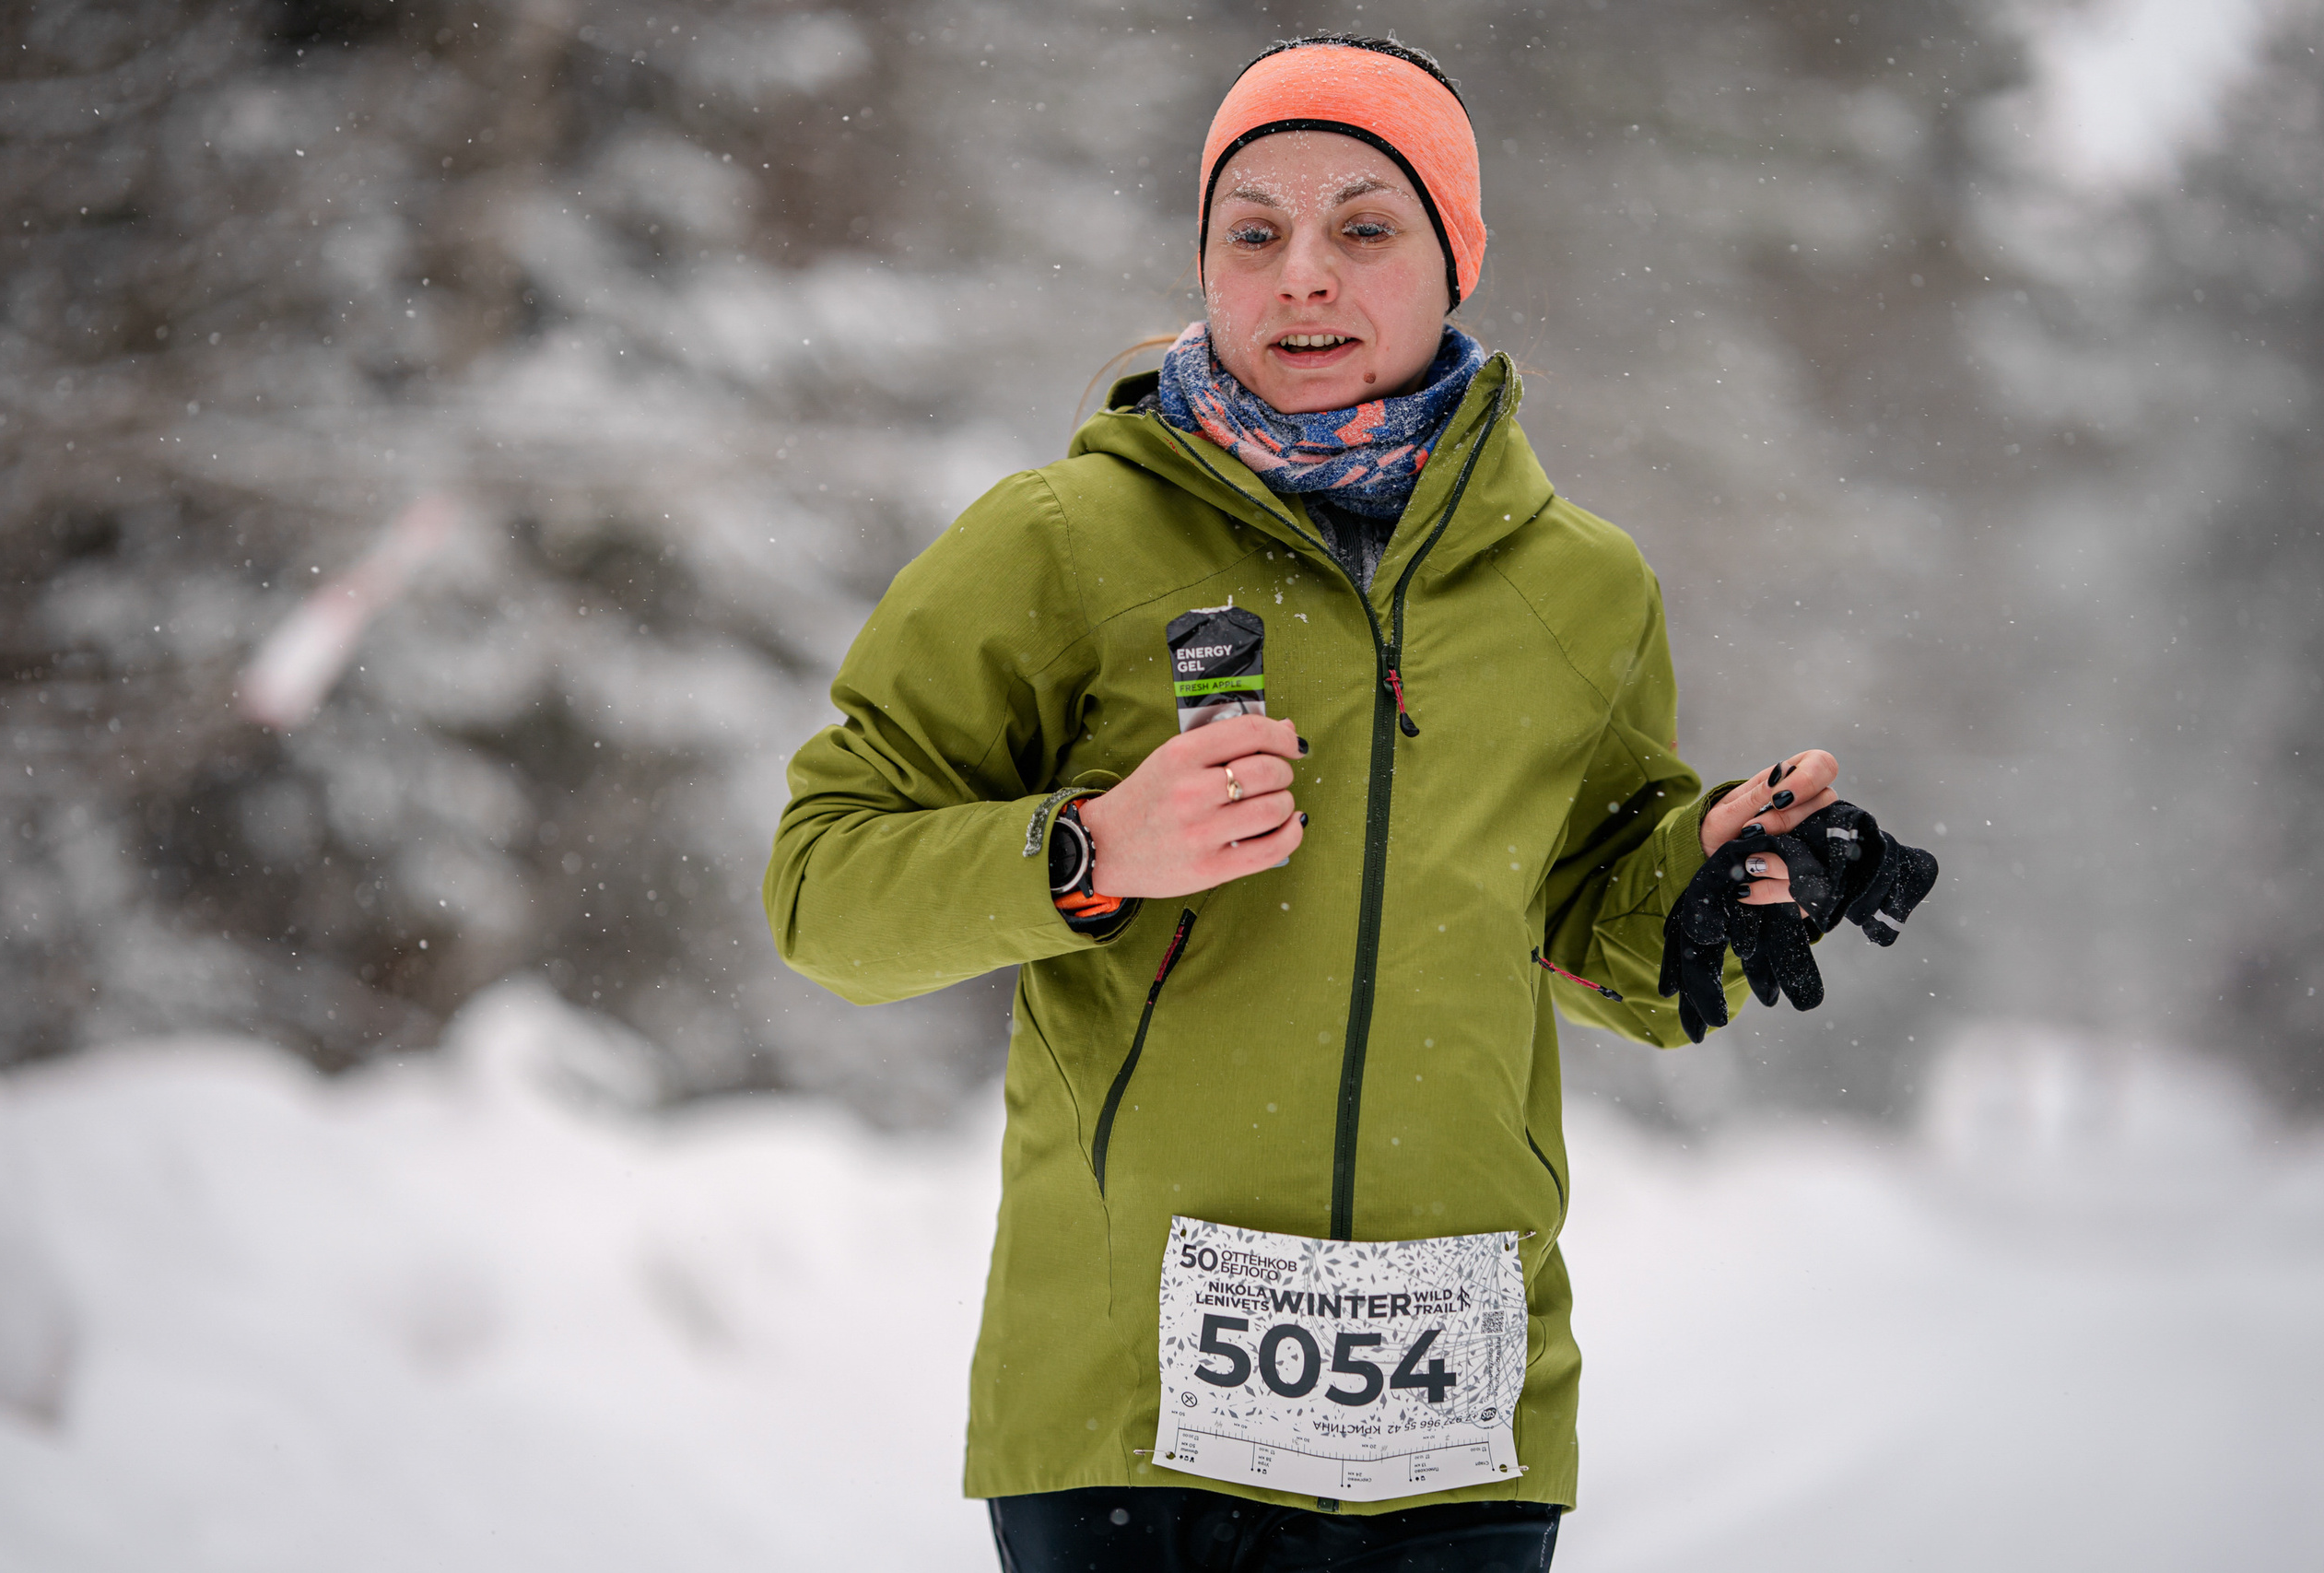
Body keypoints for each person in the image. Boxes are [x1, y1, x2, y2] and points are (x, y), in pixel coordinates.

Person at [765, 32, 1933, 1573]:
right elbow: (823, 888)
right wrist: (1090, 847)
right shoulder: (1059, 541)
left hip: (1455, 1413)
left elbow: (1587, 929)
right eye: (1254, 232)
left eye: (1365, 226)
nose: (1303, 274)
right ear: (1206, 262)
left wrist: (1707, 876)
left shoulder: (1584, 587)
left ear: (1458, 259)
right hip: (1133, 1408)